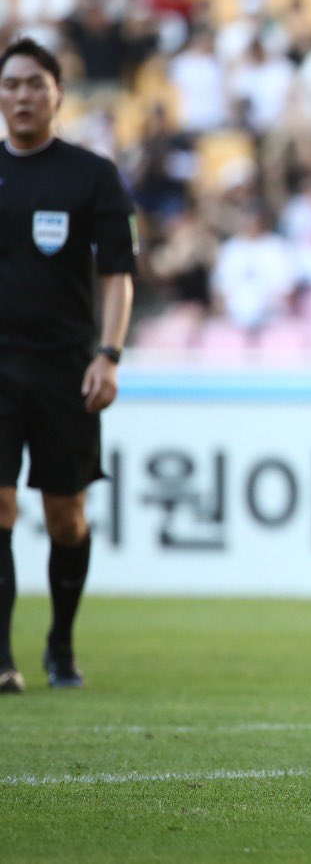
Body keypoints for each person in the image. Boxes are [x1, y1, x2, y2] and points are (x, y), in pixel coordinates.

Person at [0, 38, 136, 693]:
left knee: (65, 516)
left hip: (65, 369)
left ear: (57, 92)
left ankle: (59, 645)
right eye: (11, 84)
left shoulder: (91, 175)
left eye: (34, 83)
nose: (21, 95)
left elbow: (118, 273)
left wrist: (107, 355)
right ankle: (1, 657)